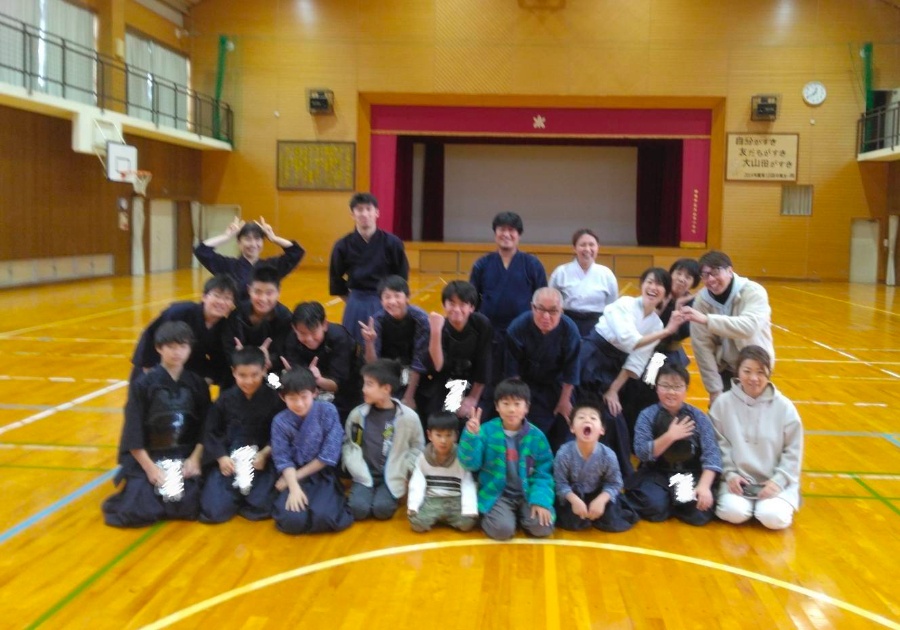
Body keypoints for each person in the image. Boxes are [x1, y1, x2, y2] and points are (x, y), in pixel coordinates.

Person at [577, 267, 685, 478]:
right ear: (642, 285)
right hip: (590, 358)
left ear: (665, 294)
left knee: (614, 417)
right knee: (584, 412)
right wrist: (666, 332)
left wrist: (613, 390)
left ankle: (613, 474)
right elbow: (629, 341)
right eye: (649, 282)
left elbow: (636, 361)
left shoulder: (655, 323)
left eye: (659, 285)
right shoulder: (624, 304)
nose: (653, 287)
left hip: (613, 369)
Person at [102, 322, 210, 527]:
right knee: (138, 511)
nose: (177, 352)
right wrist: (150, 469)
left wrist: (195, 459)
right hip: (151, 456)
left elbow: (206, 426)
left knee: (187, 506)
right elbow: (132, 431)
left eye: (182, 346)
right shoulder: (143, 385)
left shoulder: (197, 384)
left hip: (184, 455)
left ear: (190, 349)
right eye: (171, 347)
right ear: (159, 348)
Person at [710, 345, 802, 530]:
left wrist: (778, 481)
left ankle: (770, 504)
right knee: (733, 512)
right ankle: (748, 507)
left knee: (772, 517)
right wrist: (730, 474)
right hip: (735, 482)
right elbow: (717, 445)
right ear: (737, 372)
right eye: (747, 371)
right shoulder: (722, 404)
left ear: (769, 374)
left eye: (760, 372)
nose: (753, 378)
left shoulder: (785, 407)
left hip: (774, 481)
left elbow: (793, 451)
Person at [624, 363, 721, 526]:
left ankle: (674, 499)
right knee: (653, 506)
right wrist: (670, 436)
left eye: (677, 387)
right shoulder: (647, 415)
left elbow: (712, 454)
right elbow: (642, 452)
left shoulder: (698, 417)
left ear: (686, 389)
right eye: (665, 386)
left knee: (698, 513)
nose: (671, 392)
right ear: (657, 388)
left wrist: (704, 487)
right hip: (657, 473)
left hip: (687, 474)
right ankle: (667, 498)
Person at [459, 378, 554, 541]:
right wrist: (471, 437)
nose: (511, 409)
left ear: (526, 408)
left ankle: (521, 516)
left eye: (517, 404)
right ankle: (499, 517)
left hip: (527, 494)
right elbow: (470, 464)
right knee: (501, 530)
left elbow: (544, 473)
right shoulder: (486, 431)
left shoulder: (537, 436)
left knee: (542, 527)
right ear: (497, 406)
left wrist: (540, 500)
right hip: (498, 495)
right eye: (506, 403)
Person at [469, 212, 547, 407]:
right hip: (490, 334)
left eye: (511, 230)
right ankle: (489, 414)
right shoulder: (482, 264)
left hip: (523, 335)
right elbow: (472, 301)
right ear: (495, 233)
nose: (506, 234)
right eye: (501, 229)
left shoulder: (532, 264)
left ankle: (520, 413)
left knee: (519, 381)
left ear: (519, 234)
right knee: (489, 380)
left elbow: (542, 299)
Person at [199, 346, 285, 524]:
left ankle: (243, 497)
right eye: (242, 375)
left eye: (255, 375)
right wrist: (221, 457)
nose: (249, 381)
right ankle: (233, 497)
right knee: (213, 511)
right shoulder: (225, 399)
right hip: (230, 461)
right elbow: (211, 431)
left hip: (261, 461)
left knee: (262, 507)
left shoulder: (275, 398)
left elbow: (282, 433)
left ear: (264, 370)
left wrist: (265, 453)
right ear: (233, 372)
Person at [681, 251, 774, 405]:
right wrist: (714, 390)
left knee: (756, 414)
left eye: (715, 272)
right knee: (721, 416)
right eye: (705, 275)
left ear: (730, 271)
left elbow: (748, 327)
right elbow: (702, 347)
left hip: (756, 369)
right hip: (725, 370)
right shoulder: (702, 301)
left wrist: (707, 320)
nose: (711, 279)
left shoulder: (753, 292)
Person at [269, 366, 354, 534]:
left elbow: (328, 454)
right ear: (282, 397)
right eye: (292, 398)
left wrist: (294, 478)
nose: (299, 404)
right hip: (292, 472)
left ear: (315, 393)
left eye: (304, 397)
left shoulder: (328, 411)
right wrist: (293, 487)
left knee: (325, 517)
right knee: (293, 520)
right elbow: (282, 458)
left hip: (321, 472)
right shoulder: (279, 421)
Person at [342, 359, 424, 521]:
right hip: (364, 475)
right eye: (364, 384)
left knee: (382, 510)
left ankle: (384, 495)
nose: (364, 389)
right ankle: (365, 492)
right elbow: (350, 444)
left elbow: (418, 447)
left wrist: (406, 468)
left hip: (393, 477)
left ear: (386, 388)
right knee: (358, 510)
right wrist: (353, 465)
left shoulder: (409, 417)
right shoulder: (358, 415)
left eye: (369, 384)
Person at [505, 287, 580, 452]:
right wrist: (519, 402)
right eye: (541, 309)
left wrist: (564, 401)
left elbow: (572, 369)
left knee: (566, 424)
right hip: (526, 384)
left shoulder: (570, 330)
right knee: (528, 428)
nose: (546, 316)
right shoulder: (518, 327)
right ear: (532, 307)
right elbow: (513, 371)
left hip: (559, 385)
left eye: (553, 311)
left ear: (561, 311)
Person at [330, 192, 410, 343]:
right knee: (354, 345)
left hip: (386, 301)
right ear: (352, 214)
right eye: (359, 210)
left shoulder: (392, 243)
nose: (364, 214)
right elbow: (335, 278)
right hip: (356, 302)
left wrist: (393, 301)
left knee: (387, 344)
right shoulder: (342, 245)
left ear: (377, 212)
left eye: (368, 209)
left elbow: (401, 277)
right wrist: (352, 300)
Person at [131, 274, 238, 386]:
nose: (221, 302)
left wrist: (209, 379)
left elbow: (220, 360)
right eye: (217, 296)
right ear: (204, 297)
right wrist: (148, 369)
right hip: (157, 363)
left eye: (227, 298)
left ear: (232, 304)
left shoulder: (226, 327)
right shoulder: (180, 312)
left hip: (188, 367)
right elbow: (150, 335)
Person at [553, 400, 637, 532]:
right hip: (573, 494)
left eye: (593, 418)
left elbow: (615, 483)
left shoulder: (608, 455)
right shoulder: (564, 453)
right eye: (581, 417)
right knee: (571, 521)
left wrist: (602, 500)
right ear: (572, 428)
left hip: (598, 492)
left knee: (612, 521)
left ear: (602, 430)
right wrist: (574, 500)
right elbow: (560, 483)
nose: (587, 420)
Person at [422, 280, 492, 422]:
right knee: (441, 420)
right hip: (445, 383)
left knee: (475, 417)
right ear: (444, 305)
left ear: (472, 307)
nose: (457, 309)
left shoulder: (481, 324)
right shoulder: (438, 325)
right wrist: (435, 332)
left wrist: (472, 398)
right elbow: (438, 366)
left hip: (474, 383)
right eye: (452, 304)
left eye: (462, 304)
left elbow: (484, 364)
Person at [359, 275, 430, 411]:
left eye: (397, 296)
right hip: (388, 374)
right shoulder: (377, 321)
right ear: (381, 301)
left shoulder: (421, 319)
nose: (392, 301)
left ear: (407, 298)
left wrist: (409, 396)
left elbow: (419, 361)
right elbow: (372, 364)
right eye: (387, 297)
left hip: (417, 377)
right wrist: (369, 342)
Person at [282, 301, 361, 421]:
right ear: (294, 328)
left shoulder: (339, 338)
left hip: (346, 389)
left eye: (313, 332)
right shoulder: (291, 340)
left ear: (324, 325)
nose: (309, 339)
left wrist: (318, 379)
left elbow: (339, 383)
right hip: (309, 391)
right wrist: (294, 377)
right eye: (302, 333)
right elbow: (297, 380)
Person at [194, 217, 304, 302]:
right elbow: (201, 251)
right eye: (247, 239)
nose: (253, 244)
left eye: (257, 239)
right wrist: (226, 236)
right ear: (239, 242)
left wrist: (274, 238)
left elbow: (296, 252)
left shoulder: (271, 266)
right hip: (240, 319)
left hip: (268, 318)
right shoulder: (228, 266)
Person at [407, 411, 478, 533]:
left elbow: (468, 483)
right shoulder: (423, 457)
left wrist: (469, 509)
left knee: (467, 523)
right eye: (438, 435)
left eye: (448, 435)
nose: (443, 440)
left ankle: (446, 519)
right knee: (416, 523)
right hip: (432, 500)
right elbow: (417, 483)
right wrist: (413, 506)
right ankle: (439, 518)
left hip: (455, 500)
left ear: (455, 436)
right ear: (429, 435)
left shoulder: (461, 456)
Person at [548, 228, 618, 337]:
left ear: (598, 247)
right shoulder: (561, 272)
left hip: (598, 325)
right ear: (574, 248)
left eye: (591, 245)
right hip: (567, 322)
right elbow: (551, 299)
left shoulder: (606, 274)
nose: (587, 249)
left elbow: (612, 305)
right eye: (582, 245)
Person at [231, 265, 293, 371]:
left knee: (277, 382)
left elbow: (286, 352)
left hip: (271, 372)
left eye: (269, 293)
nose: (263, 299)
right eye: (257, 292)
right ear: (249, 290)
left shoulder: (285, 318)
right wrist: (238, 358)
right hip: (241, 370)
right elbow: (228, 347)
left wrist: (270, 361)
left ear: (278, 292)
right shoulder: (237, 314)